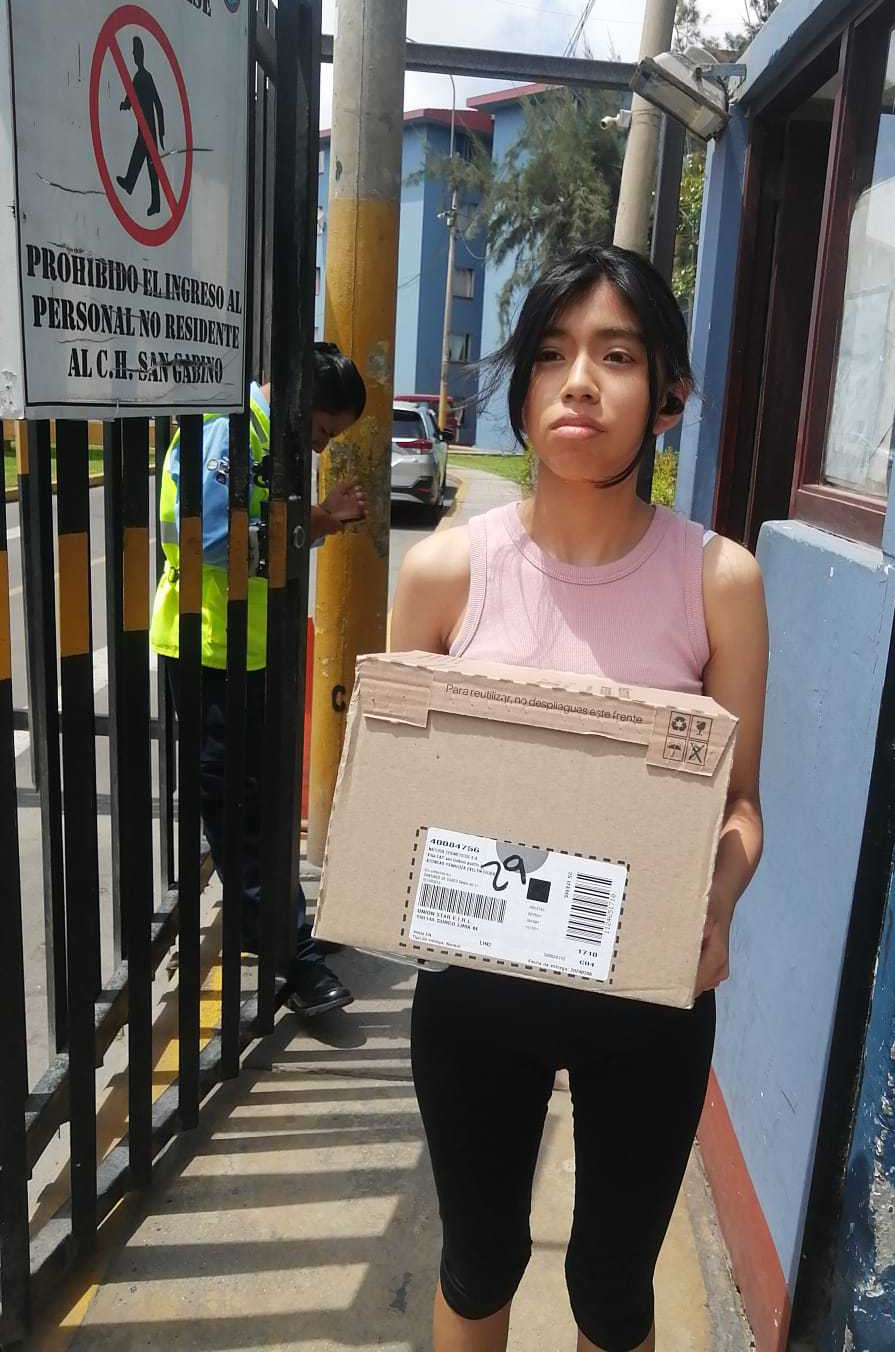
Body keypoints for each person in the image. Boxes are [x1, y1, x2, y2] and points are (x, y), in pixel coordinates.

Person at [391, 246, 769, 1352]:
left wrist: (721, 897)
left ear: (668, 397)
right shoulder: (445, 574)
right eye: (552, 354)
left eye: (618, 356)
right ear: (521, 392)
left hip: (646, 1004)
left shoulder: (719, 581)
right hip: (476, 996)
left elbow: (743, 805)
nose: (580, 382)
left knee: (611, 1289)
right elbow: (396, 799)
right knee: (477, 1266)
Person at [151, 342, 367, 1019]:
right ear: (301, 401)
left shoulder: (272, 439)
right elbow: (204, 540)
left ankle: (272, 929)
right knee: (239, 807)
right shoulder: (230, 432)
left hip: (252, 651)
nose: (321, 446)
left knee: (261, 802)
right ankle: (290, 954)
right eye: (324, 431)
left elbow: (266, 537)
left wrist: (313, 520)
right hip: (208, 649)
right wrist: (319, 519)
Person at [115, 36, 165, 217]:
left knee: (151, 167)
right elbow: (131, 97)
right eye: (134, 52)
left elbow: (158, 104)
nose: (134, 55)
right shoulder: (138, 77)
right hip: (144, 129)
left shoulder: (145, 77)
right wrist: (125, 104)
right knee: (145, 162)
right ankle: (131, 184)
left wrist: (161, 132)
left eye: (135, 52)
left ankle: (153, 201)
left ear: (140, 54)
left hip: (148, 130)